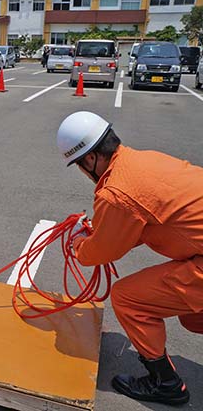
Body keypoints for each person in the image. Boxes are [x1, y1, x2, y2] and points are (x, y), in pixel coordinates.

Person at [57, 111, 203, 406]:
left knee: (127, 298)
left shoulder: (117, 192)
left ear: (89, 160)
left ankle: (166, 383)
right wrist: (100, 231)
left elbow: (102, 251)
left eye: (80, 167)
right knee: (193, 316)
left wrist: (78, 245)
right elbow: (141, 223)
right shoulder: (141, 161)